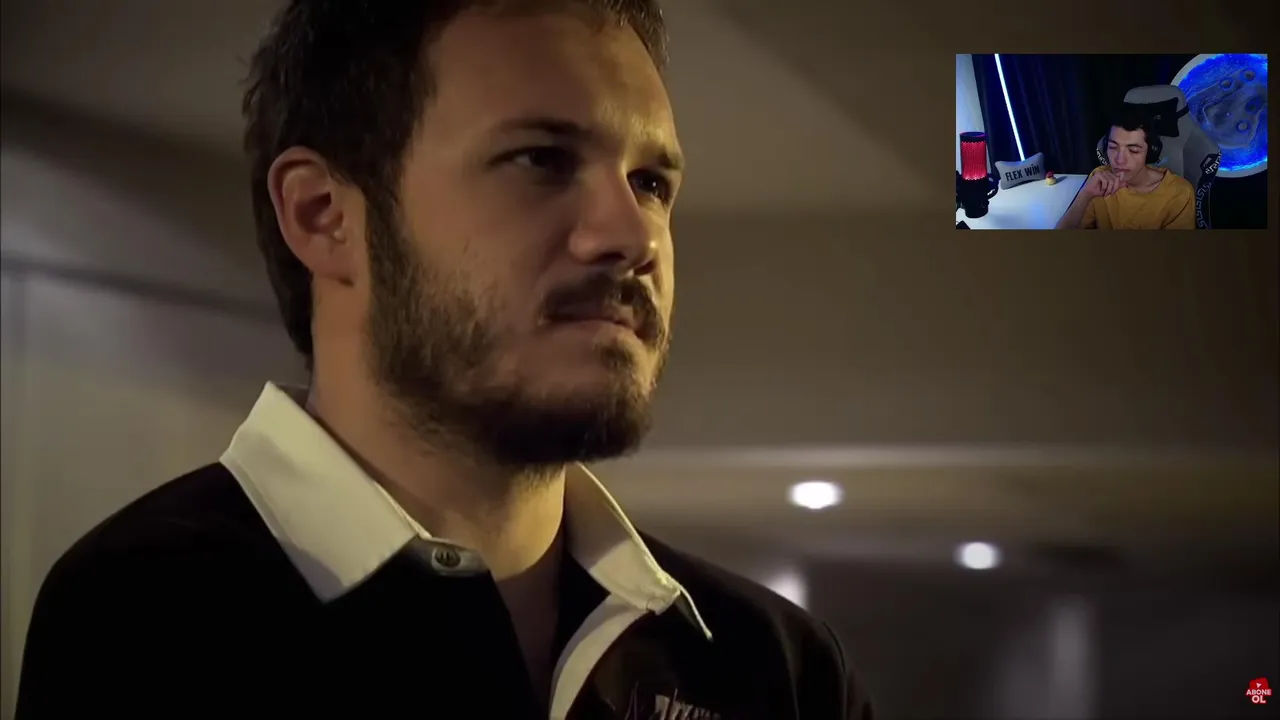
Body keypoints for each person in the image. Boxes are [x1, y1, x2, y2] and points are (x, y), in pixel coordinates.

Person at [15, 2, 874, 718]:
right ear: (322, 215)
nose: (632, 235)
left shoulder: (774, 667)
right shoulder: (152, 615)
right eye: (542, 160)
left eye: (651, 183)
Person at [1055, 110, 1196, 230]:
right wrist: (1085, 194)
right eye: (1113, 147)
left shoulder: (1179, 193)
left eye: (1133, 150)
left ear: (1150, 153)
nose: (1120, 160)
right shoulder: (1099, 178)